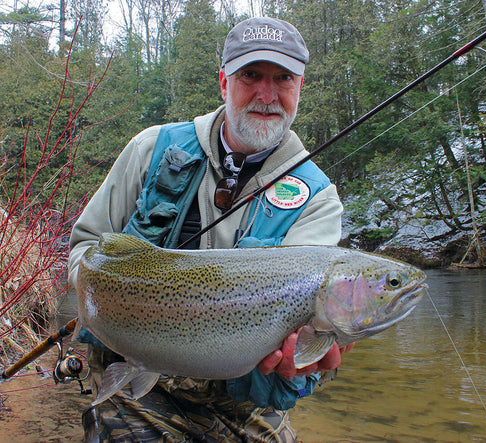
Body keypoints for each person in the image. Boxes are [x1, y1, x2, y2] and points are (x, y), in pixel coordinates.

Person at [69, 16, 350, 442]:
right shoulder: (152, 149)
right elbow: (84, 247)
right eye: (250, 75)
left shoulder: (317, 199)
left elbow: (305, 326)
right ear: (223, 82)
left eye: (283, 79)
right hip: (137, 377)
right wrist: (95, 302)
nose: (266, 94)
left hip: (240, 402)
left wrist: (310, 352)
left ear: (300, 88)